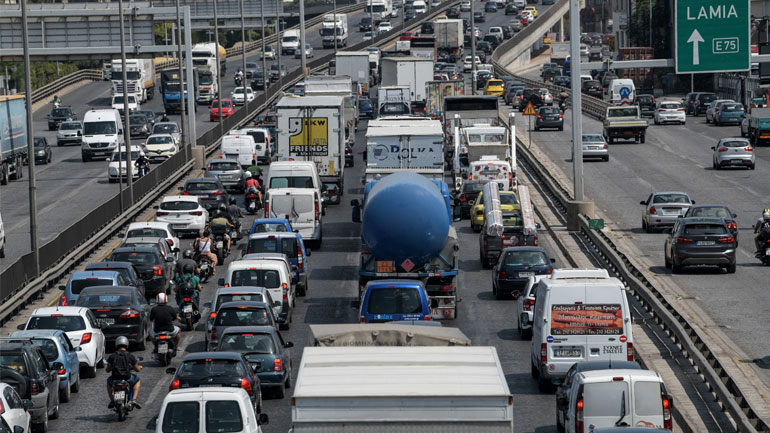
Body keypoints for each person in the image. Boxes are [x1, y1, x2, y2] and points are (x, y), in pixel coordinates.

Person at [106, 336, 142, 409]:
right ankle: (133, 399)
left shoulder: (112, 356)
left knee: (108, 382)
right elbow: (137, 369)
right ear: (126, 344)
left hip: (115, 379)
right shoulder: (130, 356)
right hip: (127, 378)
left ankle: (112, 400)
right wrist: (140, 367)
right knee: (137, 380)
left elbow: (107, 370)